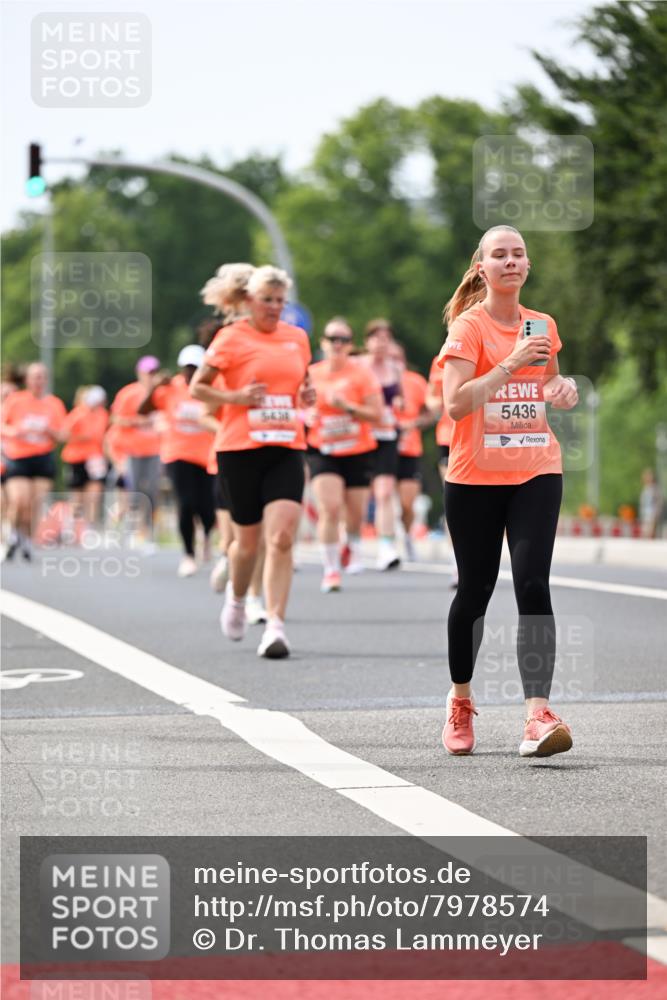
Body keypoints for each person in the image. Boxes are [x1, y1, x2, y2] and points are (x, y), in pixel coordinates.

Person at [438, 224, 578, 758]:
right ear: (481, 267)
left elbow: (548, 385)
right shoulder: (468, 328)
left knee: (533, 583)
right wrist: (511, 363)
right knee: (474, 591)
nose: (511, 261)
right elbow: (456, 404)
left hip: (536, 470)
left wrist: (559, 391)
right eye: (500, 254)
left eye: (518, 254)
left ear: (527, 265)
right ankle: (460, 699)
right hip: (474, 477)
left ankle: (537, 715)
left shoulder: (543, 324)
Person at [191, 264, 314, 658]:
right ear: (248, 301)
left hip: (287, 446)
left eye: (281, 301)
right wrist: (237, 399)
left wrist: (306, 397)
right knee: (245, 545)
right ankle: (238, 598)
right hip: (239, 448)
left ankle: (275, 625)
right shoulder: (230, 338)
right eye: (267, 300)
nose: (275, 307)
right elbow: (198, 388)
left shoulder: (297, 338)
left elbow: (300, 385)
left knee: (280, 538)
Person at [306, 317, 383, 591]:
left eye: (344, 340)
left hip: (357, 450)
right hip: (323, 449)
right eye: (332, 339)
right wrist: (306, 414)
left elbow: (376, 413)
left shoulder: (361, 374)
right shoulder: (311, 373)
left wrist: (348, 407)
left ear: (350, 345)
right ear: (323, 343)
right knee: (329, 508)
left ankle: (351, 544)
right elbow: (297, 405)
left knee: (354, 514)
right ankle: (330, 569)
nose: (338, 344)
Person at [138, 345, 216, 577]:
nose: (191, 373)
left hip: (205, 455)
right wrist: (153, 388)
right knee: (186, 503)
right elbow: (143, 410)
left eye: (195, 368)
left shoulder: (210, 388)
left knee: (207, 507)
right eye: (187, 368)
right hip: (177, 453)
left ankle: (207, 536)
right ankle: (188, 554)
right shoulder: (171, 388)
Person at [1, 362, 66, 561]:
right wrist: (17, 431)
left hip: (43, 457)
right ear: (27, 380)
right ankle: (11, 535)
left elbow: (63, 434)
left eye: (42, 377)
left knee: (33, 505)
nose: (39, 381)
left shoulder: (54, 403)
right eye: (35, 377)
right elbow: (2, 425)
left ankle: (27, 540)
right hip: (19, 457)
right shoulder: (15, 400)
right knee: (19, 500)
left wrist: (50, 431)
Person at [359, 319, 404, 570]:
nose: (381, 343)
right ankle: (351, 540)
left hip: (387, 434)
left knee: (385, 492)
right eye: (376, 338)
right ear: (367, 342)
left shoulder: (395, 368)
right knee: (358, 494)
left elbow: (401, 399)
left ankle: (386, 546)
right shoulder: (358, 366)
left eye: (386, 338)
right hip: (360, 435)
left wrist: (398, 403)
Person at [110, 356, 164, 552]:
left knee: (152, 492)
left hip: (155, 450)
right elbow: (116, 418)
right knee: (133, 494)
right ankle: (131, 531)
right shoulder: (129, 393)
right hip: (132, 451)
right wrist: (138, 421)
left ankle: (147, 534)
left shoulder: (162, 393)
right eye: (148, 373)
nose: (152, 376)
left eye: (154, 372)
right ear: (139, 373)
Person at [389, 342, 432, 562]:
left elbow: (430, 413)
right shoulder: (374, 378)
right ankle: (386, 545)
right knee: (383, 497)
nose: (394, 362)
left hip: (409, 448)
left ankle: (405, 535)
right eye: (390, 357)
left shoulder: (415, 382)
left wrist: (414, 423)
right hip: (381, 447)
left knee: (408, 503)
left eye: (397, 357)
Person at [426, 353, 458, 586]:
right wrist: (435, 404)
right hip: (450, 436)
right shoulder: (441, 358)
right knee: (456, 500)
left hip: (488, 435)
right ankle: (458, 564)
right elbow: (432, 397)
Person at [60, 385, 109, 525]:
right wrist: (82, 437)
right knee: (77, 497)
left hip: (95, 459)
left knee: (94, 495)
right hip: (76, 458)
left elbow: (103, 436)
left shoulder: (103, 414)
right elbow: (63, 434)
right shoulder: (77, 414)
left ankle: (90, 528)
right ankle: (73, 527)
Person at [639, 468, 663, 538]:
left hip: (653, 513)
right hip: (645, 513)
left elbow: (659, 501)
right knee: (645, 531)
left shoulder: (655, 488)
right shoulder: (645, 488)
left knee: (651, 532)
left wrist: (657, 512)